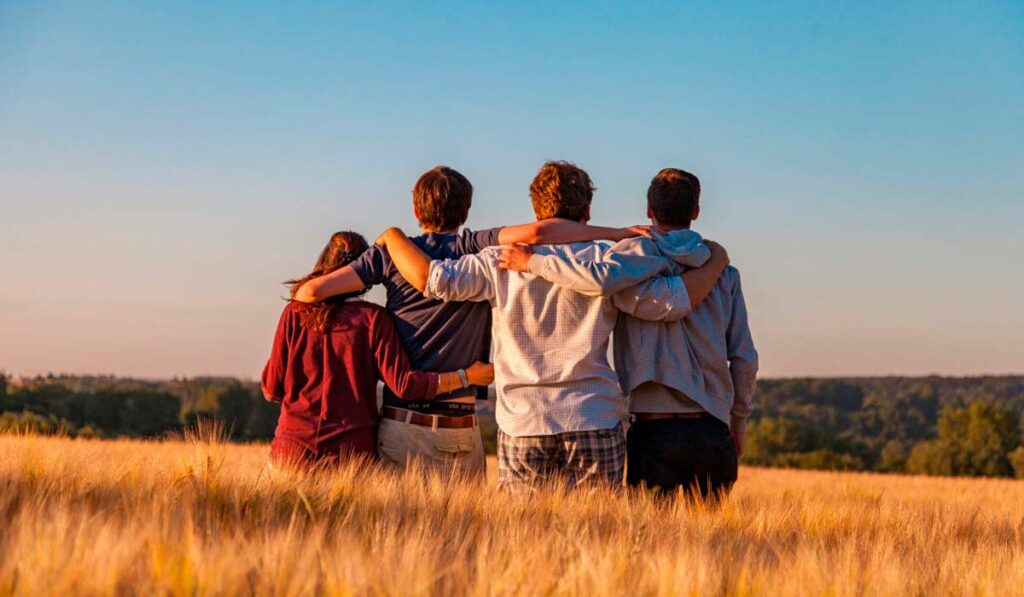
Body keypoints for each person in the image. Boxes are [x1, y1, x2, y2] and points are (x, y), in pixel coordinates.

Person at [375, 161, 730, 492]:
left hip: (524, 421)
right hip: (594, 416)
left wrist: (392, 237)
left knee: (524, 539)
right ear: (587, 211)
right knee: (599, 538)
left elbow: (434, 280)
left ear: (536, 210)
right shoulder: (608, 261)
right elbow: (668, 303)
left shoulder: (497, 261)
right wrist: (715, 263)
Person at [290, 166, 649, 477]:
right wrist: (616, 233)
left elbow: (309, 294)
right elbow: (540, 233)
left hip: (401, 423)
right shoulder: (476, 246)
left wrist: (387, 242)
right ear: (467, 210)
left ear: (416, 210)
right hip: (459, 427)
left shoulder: (390, 253)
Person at [500, 168, 758, 500]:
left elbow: (598, 281)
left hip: (653, 430)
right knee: (713, 546)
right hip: (713, 428)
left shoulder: (626, 264)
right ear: (695, 212)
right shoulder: (724, 273)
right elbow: (744, 358)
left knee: (648, 543)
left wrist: (534, 262)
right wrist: (738, 422)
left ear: (649, 210)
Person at [261, 231, 494, 469]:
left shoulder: (294, 313)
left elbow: (272, 389)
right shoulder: (373, 319)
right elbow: (405, 385)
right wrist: (466, 377)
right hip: (351, 456)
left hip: (291, 451)